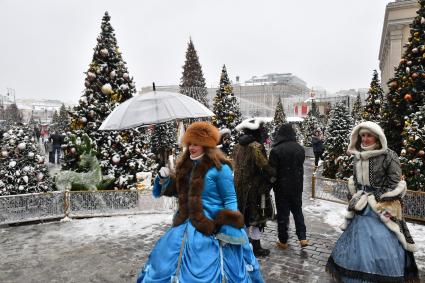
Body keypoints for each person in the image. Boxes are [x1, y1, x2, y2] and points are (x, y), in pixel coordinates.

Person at [137, 121, 264, 283]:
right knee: (164, 262)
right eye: (190, 143)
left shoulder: (220, 168)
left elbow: (230, 199)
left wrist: (227, 230)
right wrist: (163, 179)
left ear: (206, 145)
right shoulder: (185, 166)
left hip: (213, 227)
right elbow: (178, 192)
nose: (191, 147)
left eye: (196, 143)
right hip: (185, 227)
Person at [326, 121, 419, 282]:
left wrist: (376, 196)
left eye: (369, 135)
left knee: (382, 240)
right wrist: (355, 196)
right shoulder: (358, 156)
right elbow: (355, 180)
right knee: (358, 242)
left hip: (383, 206)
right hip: (362, 206)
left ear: (377, 136)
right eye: (363, 135)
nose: (365, 139)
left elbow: (394, 182)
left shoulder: (389, 155)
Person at [233, 117, 275, 257]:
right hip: (254, 189)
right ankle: (256, 247)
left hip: (239, 187)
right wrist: (273, 173)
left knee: (243, 217)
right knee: (257, 218)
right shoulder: (256, 146)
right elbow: (264, 165)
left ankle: (243, 245)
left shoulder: (237, 146)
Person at [269, 123, 308, 250]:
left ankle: (283, 240)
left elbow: (272, 171)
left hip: (281, 188)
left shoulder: (276, 150)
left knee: (283, 214)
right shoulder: (300, 149)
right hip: (297, 186)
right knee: (297, 211)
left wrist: (269, 185)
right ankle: (302, 237)